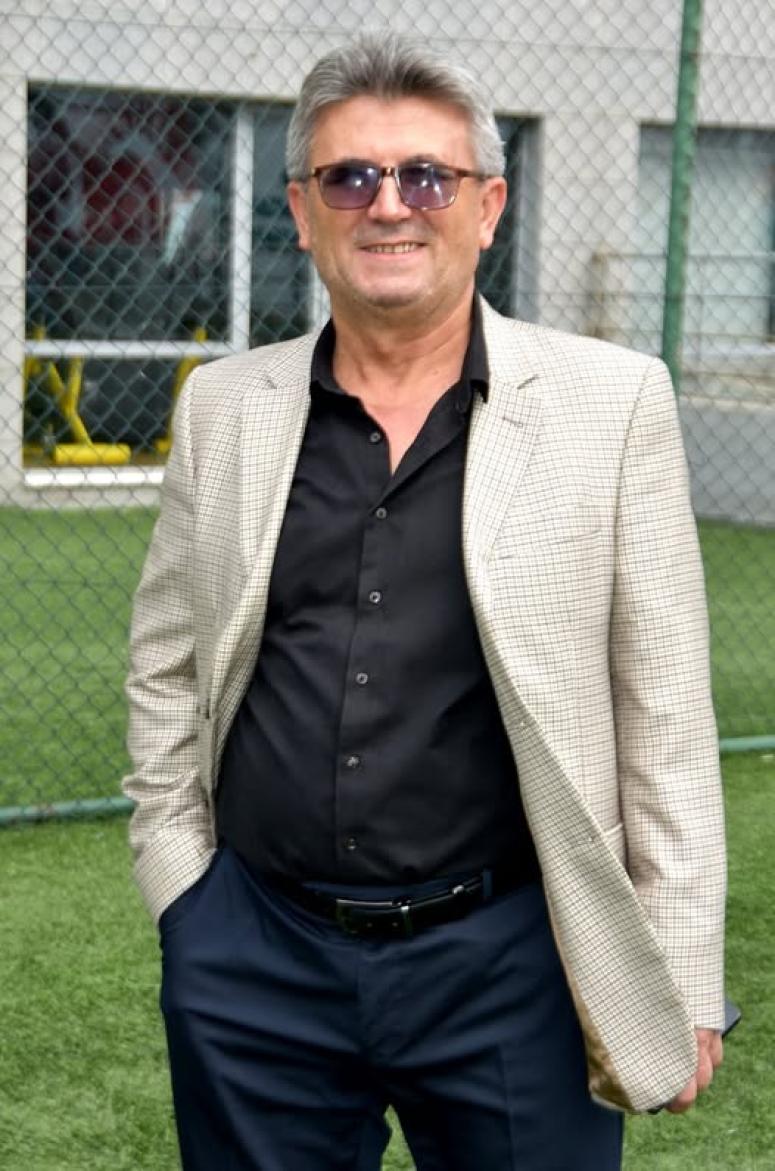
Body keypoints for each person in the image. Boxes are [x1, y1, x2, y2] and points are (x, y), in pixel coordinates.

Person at [123, 32, 726, 1171]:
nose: (389, 205)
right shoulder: (224, 406)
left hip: (515, 958)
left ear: (487, 207)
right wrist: (184, 891)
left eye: (426, 177)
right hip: (255, 951)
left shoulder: (612, 404)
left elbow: (664, 710)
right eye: (350, 177)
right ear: (302, 211)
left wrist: (684, 968)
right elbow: (166, 660)